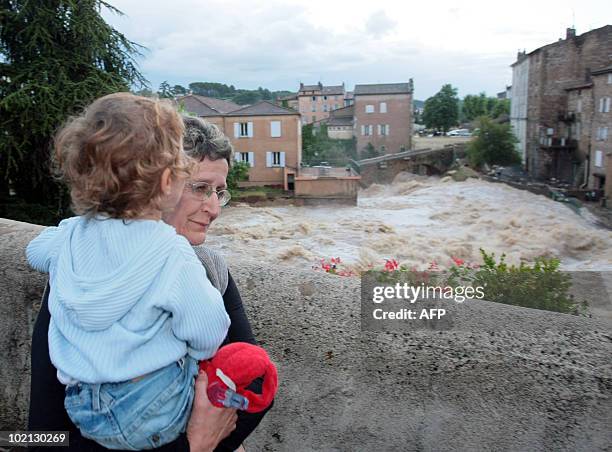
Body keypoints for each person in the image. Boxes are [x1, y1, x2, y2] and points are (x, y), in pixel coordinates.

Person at [28, 115, 271, 452]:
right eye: (200, 189)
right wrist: (194, 445)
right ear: (158, 185)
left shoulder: (211, 269)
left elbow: (257, 380)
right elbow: (41, 437)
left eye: (220, 192)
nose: (214, 208)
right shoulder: (77, 275)